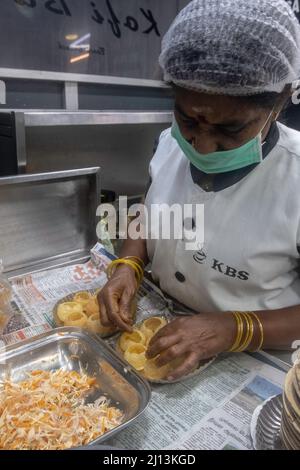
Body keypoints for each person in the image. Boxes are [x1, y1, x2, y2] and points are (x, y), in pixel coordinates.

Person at [98, 0, 300, 380]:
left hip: (254, 360)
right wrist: (127, 265)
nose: (202, 145)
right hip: (162, 321)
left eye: (230, 129)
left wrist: (232, 329)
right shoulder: (169, 144)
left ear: (280, 100)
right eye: (188, 118)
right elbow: (149, 212)